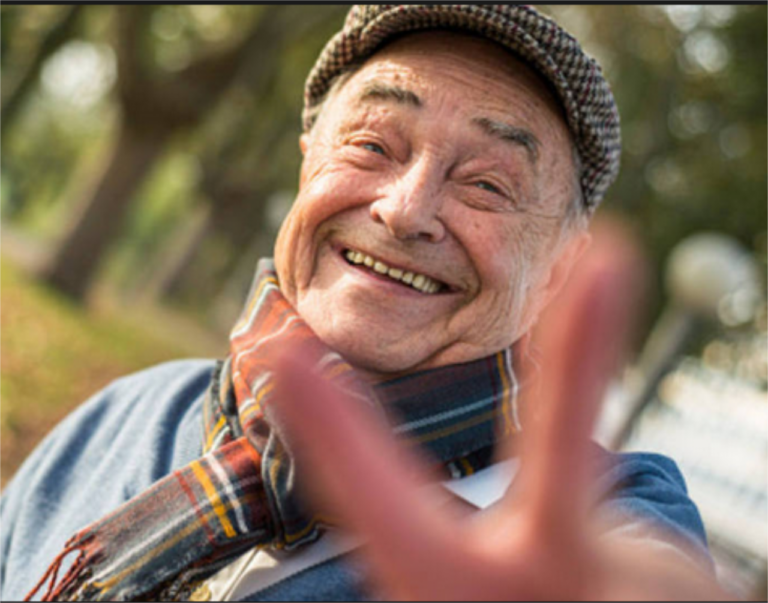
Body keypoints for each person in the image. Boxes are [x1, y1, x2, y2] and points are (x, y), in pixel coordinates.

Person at [0, 5, 724, 601]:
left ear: (559, 271)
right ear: (308, 157)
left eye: (488, 185)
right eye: (374, 143)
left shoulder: (611, 506)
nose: (406, 210)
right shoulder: (132, 411)